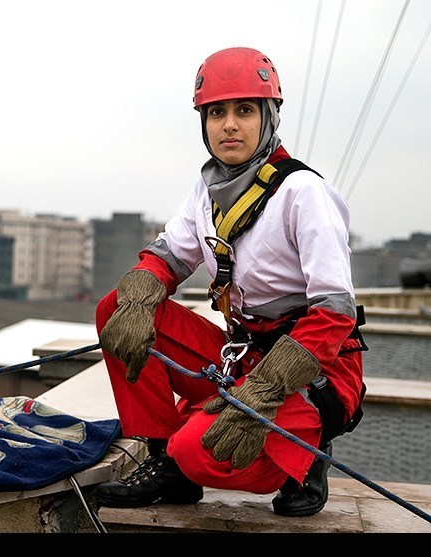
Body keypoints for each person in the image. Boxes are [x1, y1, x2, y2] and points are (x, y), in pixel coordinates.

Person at [95, 47, 366, 517]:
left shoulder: (304, 193)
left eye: (244, 110)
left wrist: (263, 391)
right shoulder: (208, 190)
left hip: (311, 371)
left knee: (199, 452)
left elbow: (333, 314)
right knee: (116, 306)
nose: (229, 125)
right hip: (244, 356)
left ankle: (302, 461)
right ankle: (163, 462)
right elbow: (165, 259)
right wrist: (139, 297)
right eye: (216, 112)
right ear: (203, 123)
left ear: (269, 116)